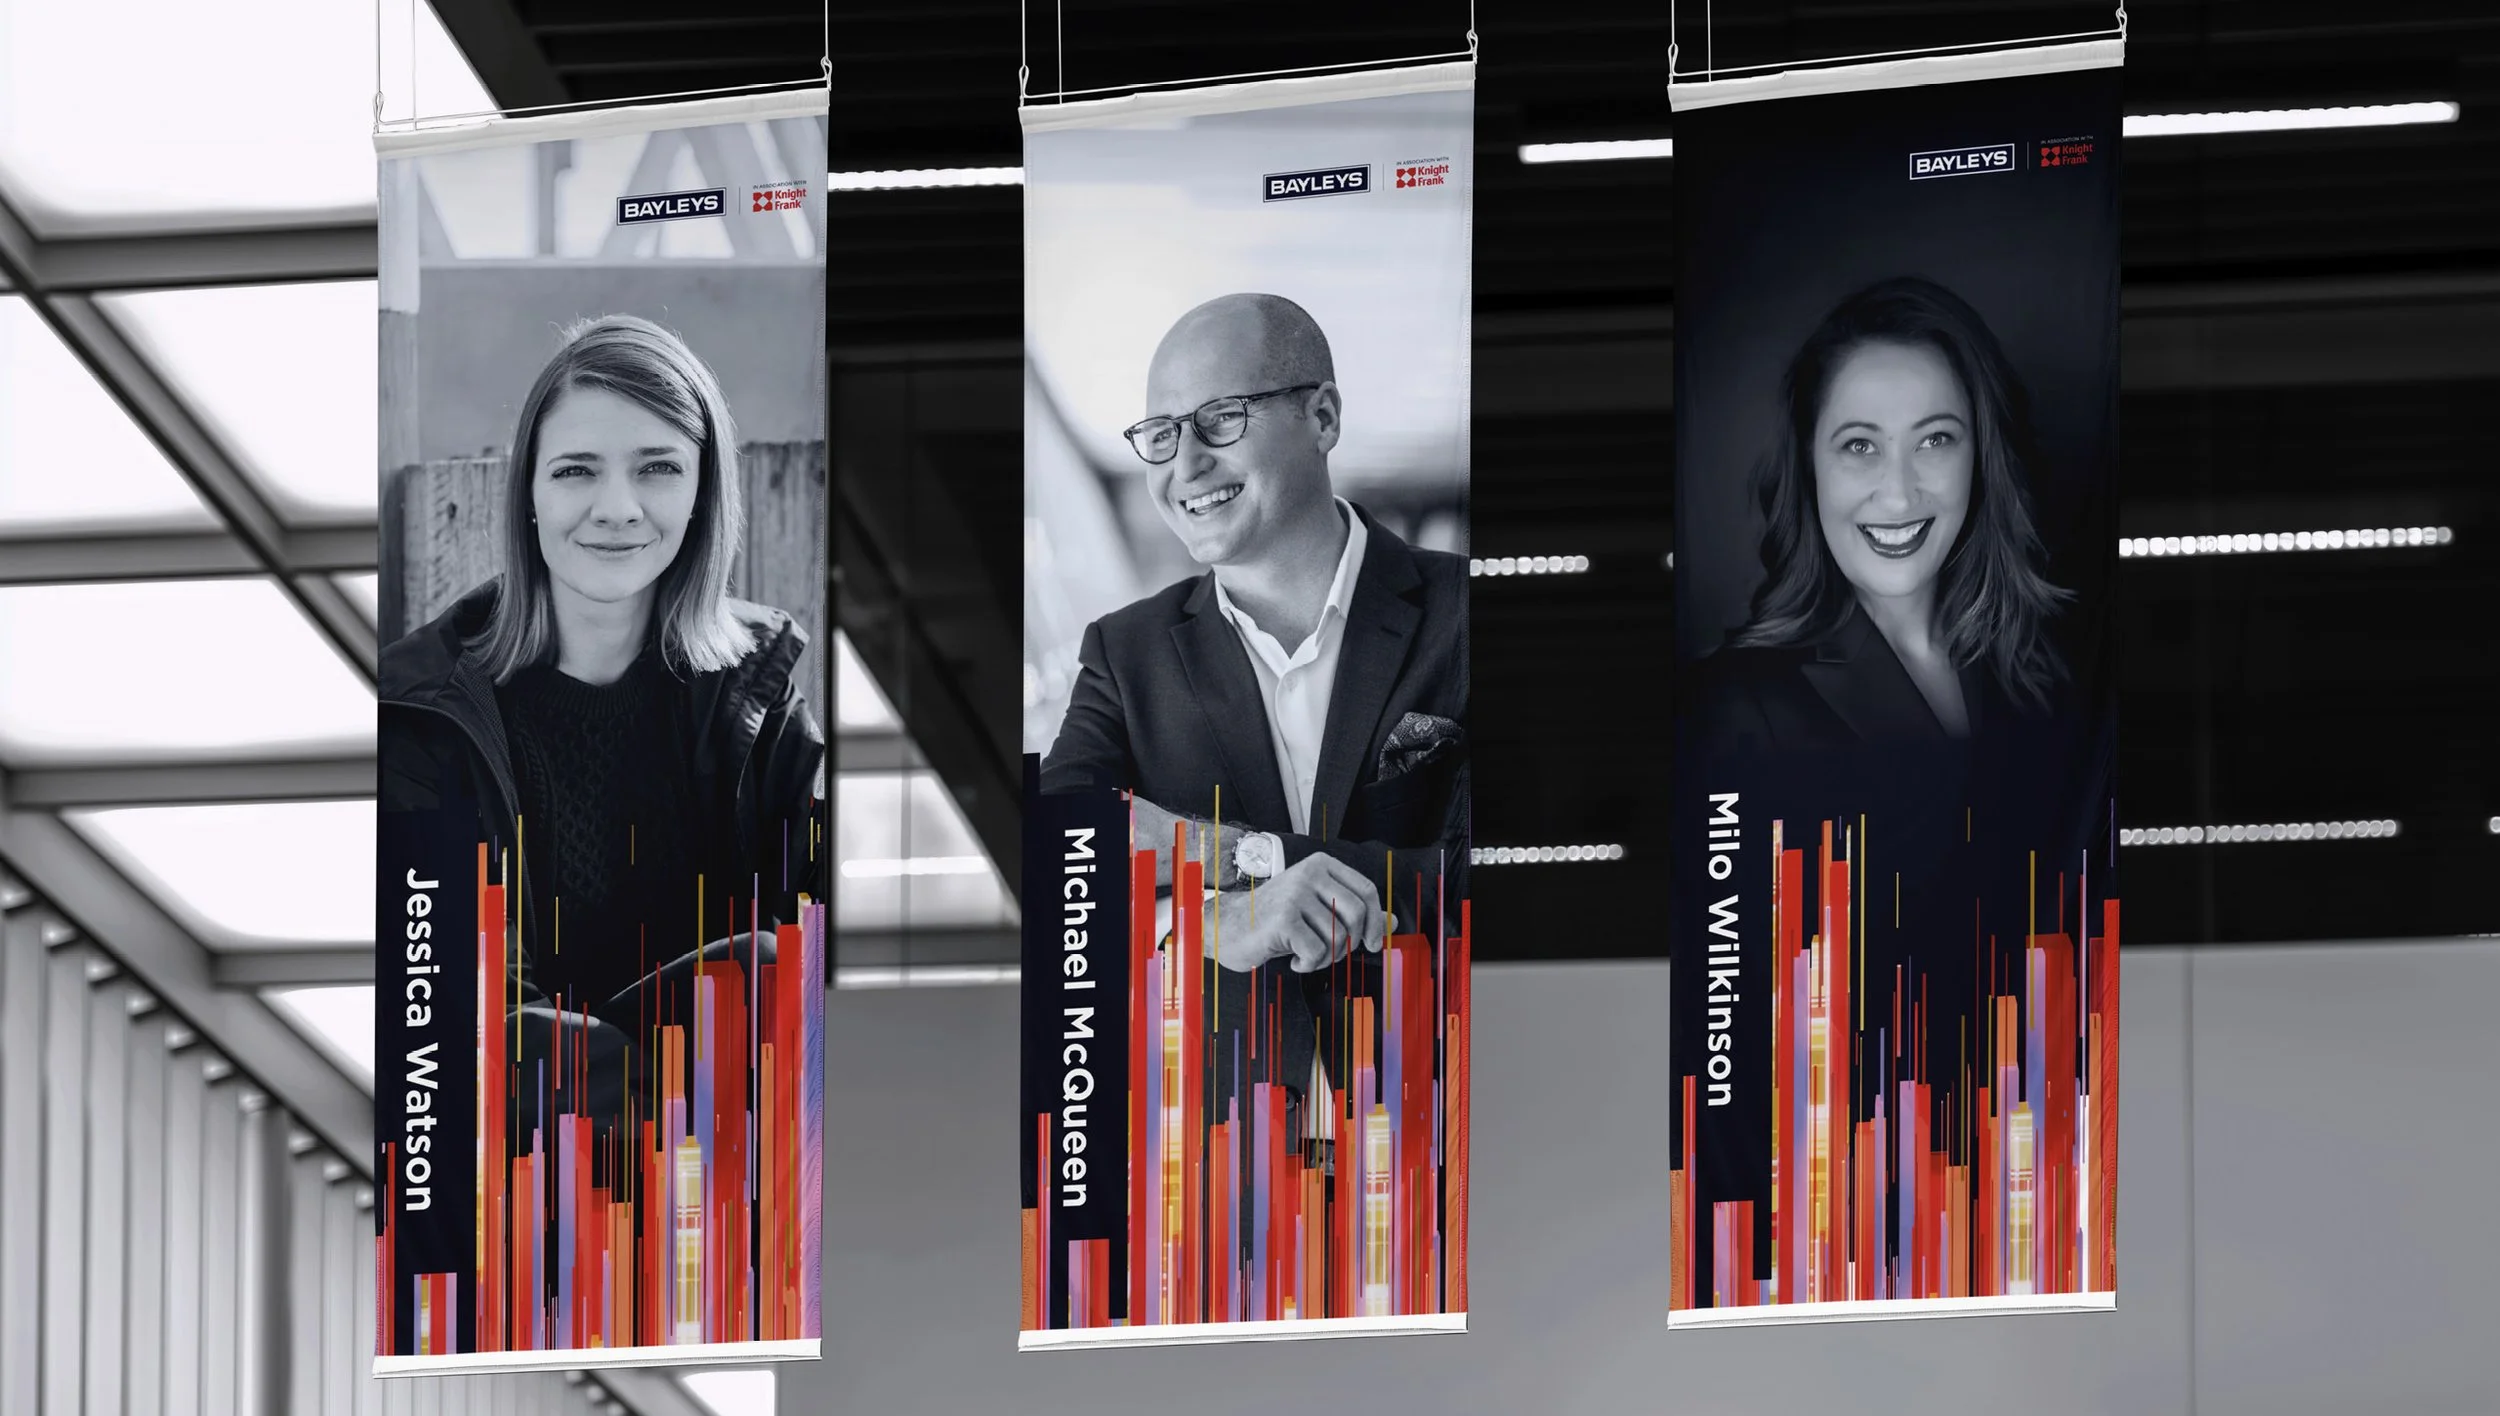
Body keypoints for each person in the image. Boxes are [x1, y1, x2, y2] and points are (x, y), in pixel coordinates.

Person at [1040, 292, 1469, 1149]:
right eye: (1161, 434)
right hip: (1214, 1164)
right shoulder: (1125, 655)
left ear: (1323, 415)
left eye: (1219, 420)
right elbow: (1062, 850)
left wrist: (1216, 857)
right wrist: (1219, 910)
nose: (1184, 465)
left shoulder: (1464, 613)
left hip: (1450, 1130)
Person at [379, 314, 825, 1131]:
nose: (616, 508)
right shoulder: (423, 714)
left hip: (717, 1181)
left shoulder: (758, 700)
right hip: (516, 1171)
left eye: (657, 468)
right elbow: (457, 1010)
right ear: (531, 497)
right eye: (577, 470)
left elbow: (807, 971)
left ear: (702, 494)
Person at [1692, 276, 2072, 754]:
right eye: (1859, 445)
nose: (1897, 497)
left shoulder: (2040, 672)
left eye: (1935, 439)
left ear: (1982, 457)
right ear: (1811, 466)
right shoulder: (1730, 703)